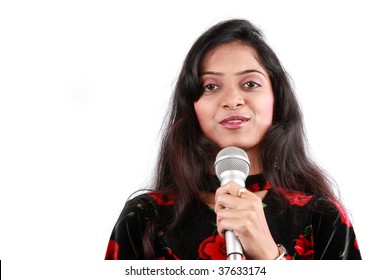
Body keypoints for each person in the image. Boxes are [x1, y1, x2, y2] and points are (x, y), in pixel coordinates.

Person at [104, 19, 361, 260]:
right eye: (211, 86)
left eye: (250, 84)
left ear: (276, 98)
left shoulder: (322, 219)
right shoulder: (144, 219)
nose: (232, 100)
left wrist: (271, 257)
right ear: (191, 106)